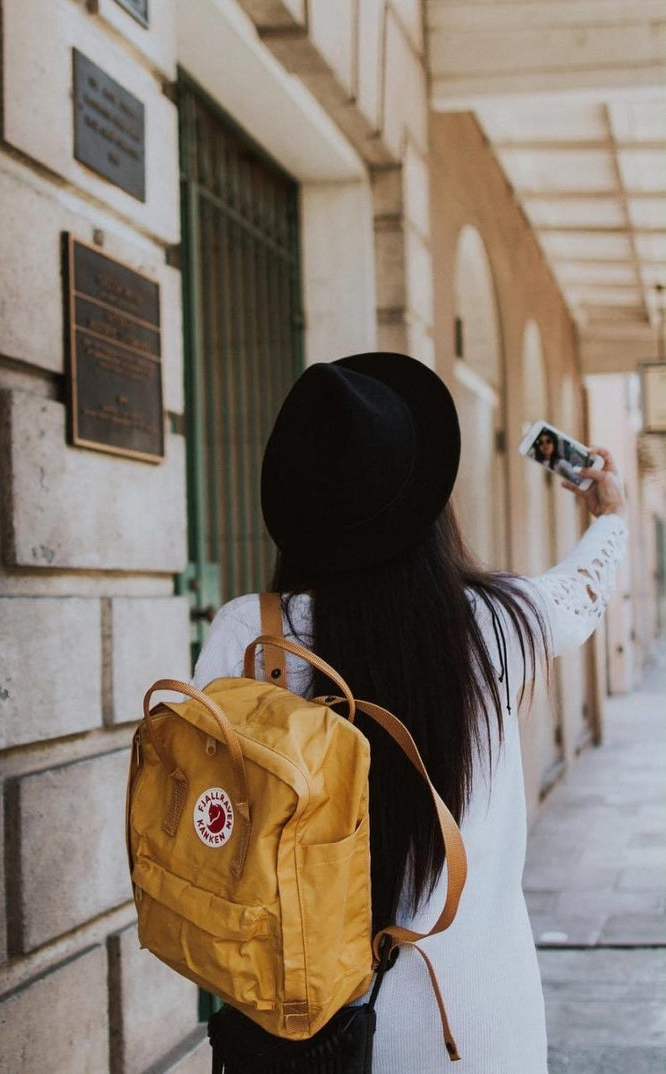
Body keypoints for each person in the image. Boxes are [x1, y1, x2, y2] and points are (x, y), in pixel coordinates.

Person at [193, 353, 627, 1074]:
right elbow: (585, 586)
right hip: (482, 1032)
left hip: (310, 1037)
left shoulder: (250, 635)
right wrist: (609, 512)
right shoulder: (502, 623)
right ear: (428, 503)